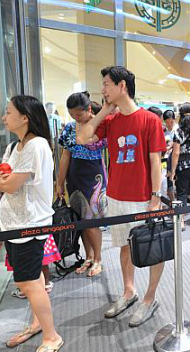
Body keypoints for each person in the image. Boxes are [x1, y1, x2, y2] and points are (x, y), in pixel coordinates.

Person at [76, 66, 165, 327]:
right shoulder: (111, 121)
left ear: (121, 86)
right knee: (124, 246)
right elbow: (82, 137)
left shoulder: (150, 120)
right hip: (116, 195)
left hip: (142, 197)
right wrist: (104, 110)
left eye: (106, 84)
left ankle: (149, 297)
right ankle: (129, 291)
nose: (102, 89)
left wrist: (156, 196)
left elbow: (155, 160)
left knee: (151, 248)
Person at [0, 95, 63, 352]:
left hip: (29, 225)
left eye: (8, 112)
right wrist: (4, 180)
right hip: (14, 224)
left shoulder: (36, 145)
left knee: (30, 283)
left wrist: (4, 180)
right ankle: (38, 323)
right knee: (28, 280)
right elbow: (0, 179)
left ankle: (51, 336)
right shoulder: (15, 146)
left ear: (25, 117)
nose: (3, 117)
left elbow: (8, 184)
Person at [56, 92, 107, 278]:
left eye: (79, 114)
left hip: (95, 179)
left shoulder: (101, 125)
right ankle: (89, 257)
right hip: (74, 178)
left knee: (92, 221)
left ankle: (99, 259)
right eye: (72, 114)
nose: (75, 118)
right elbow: (65, 156)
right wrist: (59, 182)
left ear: (89, 109)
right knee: (81, 221)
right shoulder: (70, 127)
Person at [162, 110, 178, 200]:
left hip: (176, 159)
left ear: (174, 120)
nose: (169, 124)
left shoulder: (178, 130)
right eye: (167, 122)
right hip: (167, 159)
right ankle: (172, 201)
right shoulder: (164, 131)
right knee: (168, 181)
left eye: (171, 121)